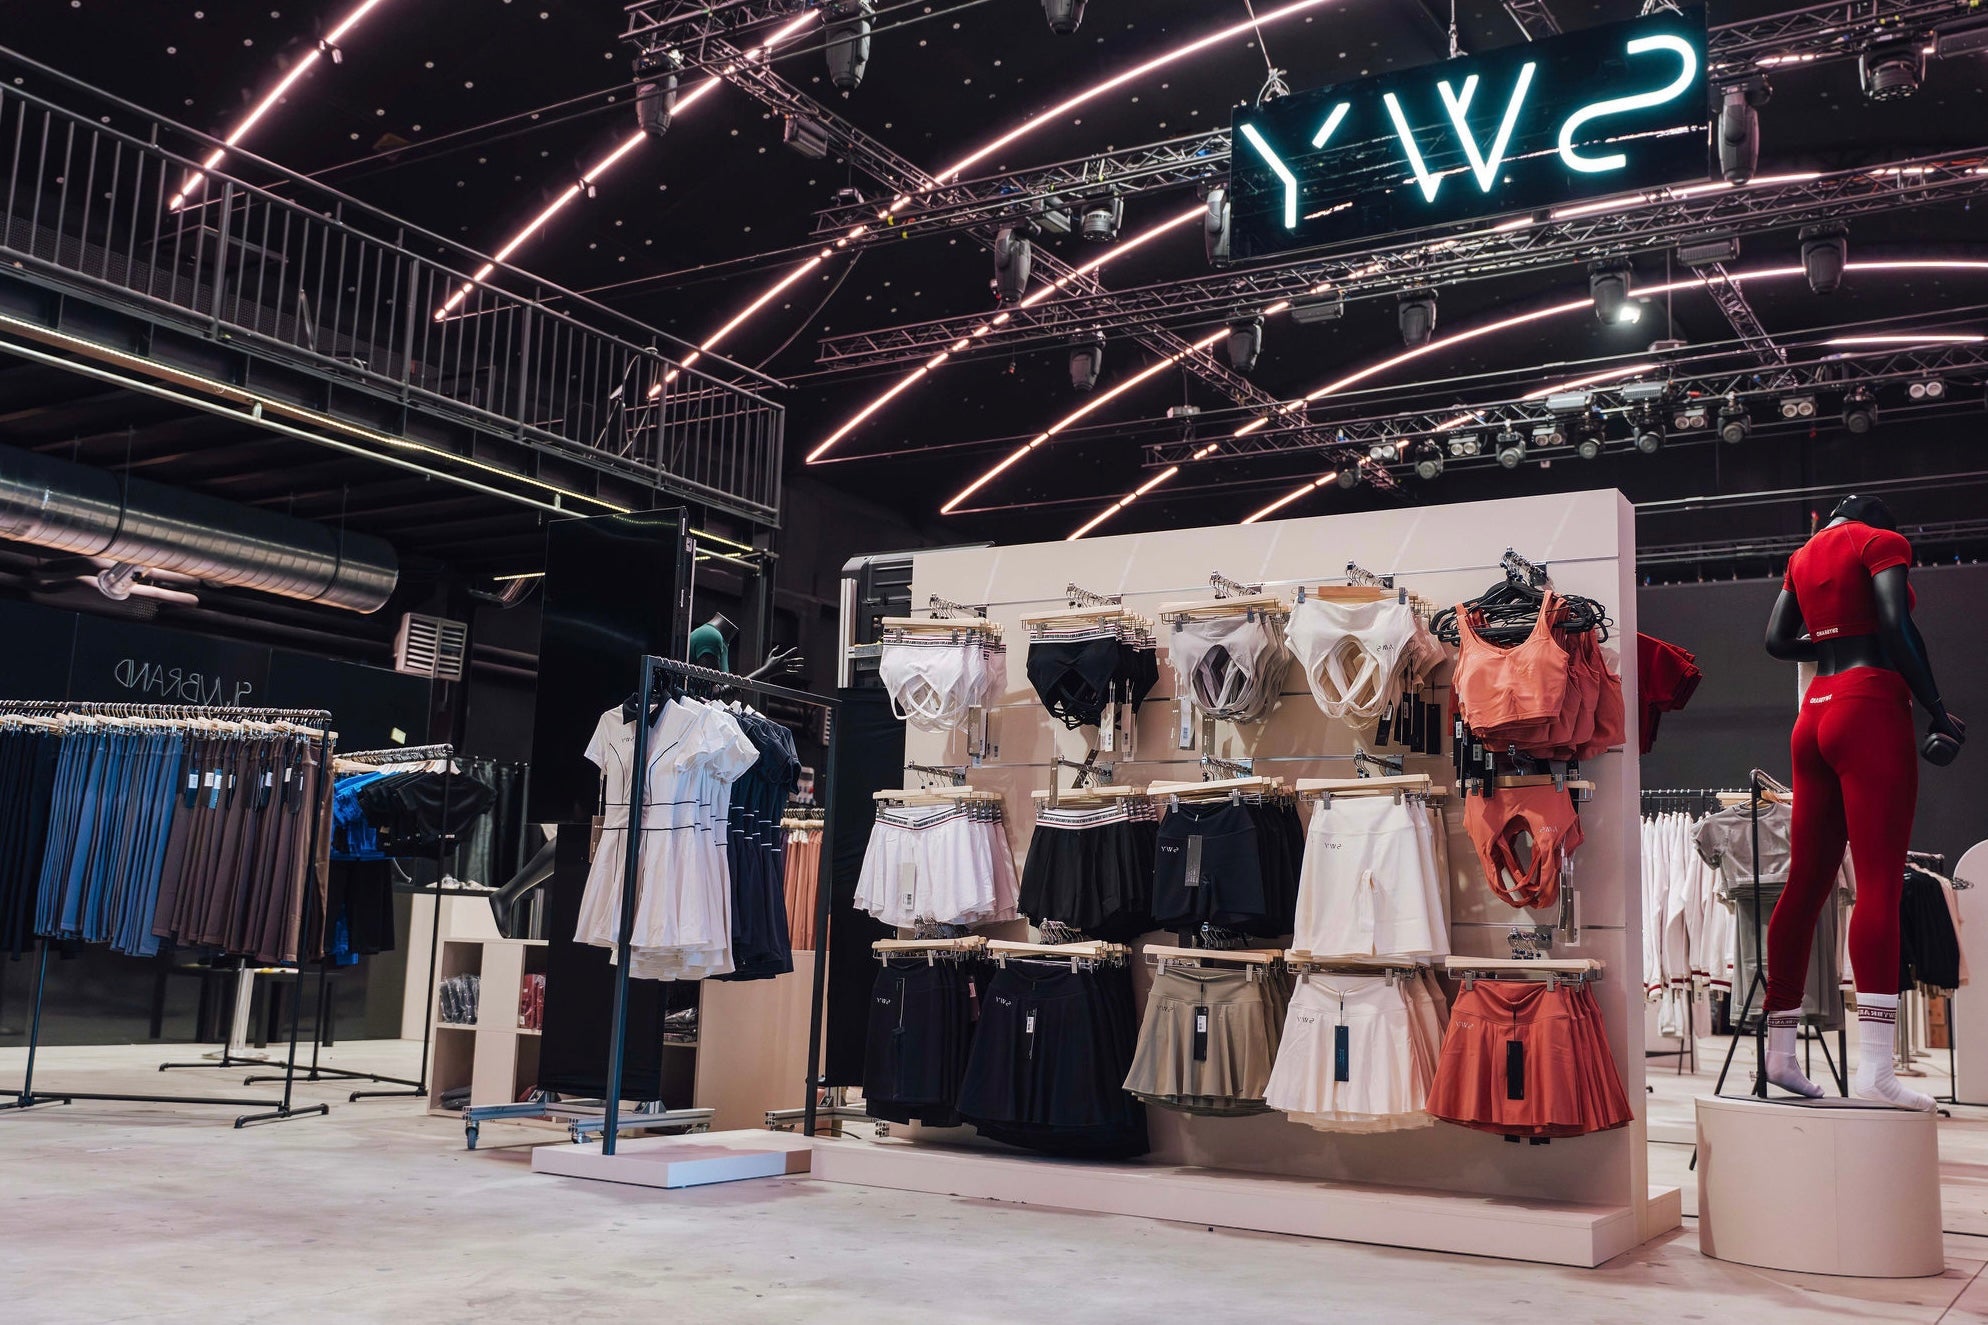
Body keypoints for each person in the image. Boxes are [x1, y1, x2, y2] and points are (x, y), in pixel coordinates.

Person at [1762, 495, 1965, 1109]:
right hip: (1870, 705)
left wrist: (1834, 646)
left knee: (1804, 886)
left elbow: (1777, 642)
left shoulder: (1802, 556)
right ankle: (1877, 1068)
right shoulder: (1882, 542)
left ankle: (1778, 1057)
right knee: (1878, 884)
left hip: (1815, 712)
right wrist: (1937, 710)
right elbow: (1897, 626)